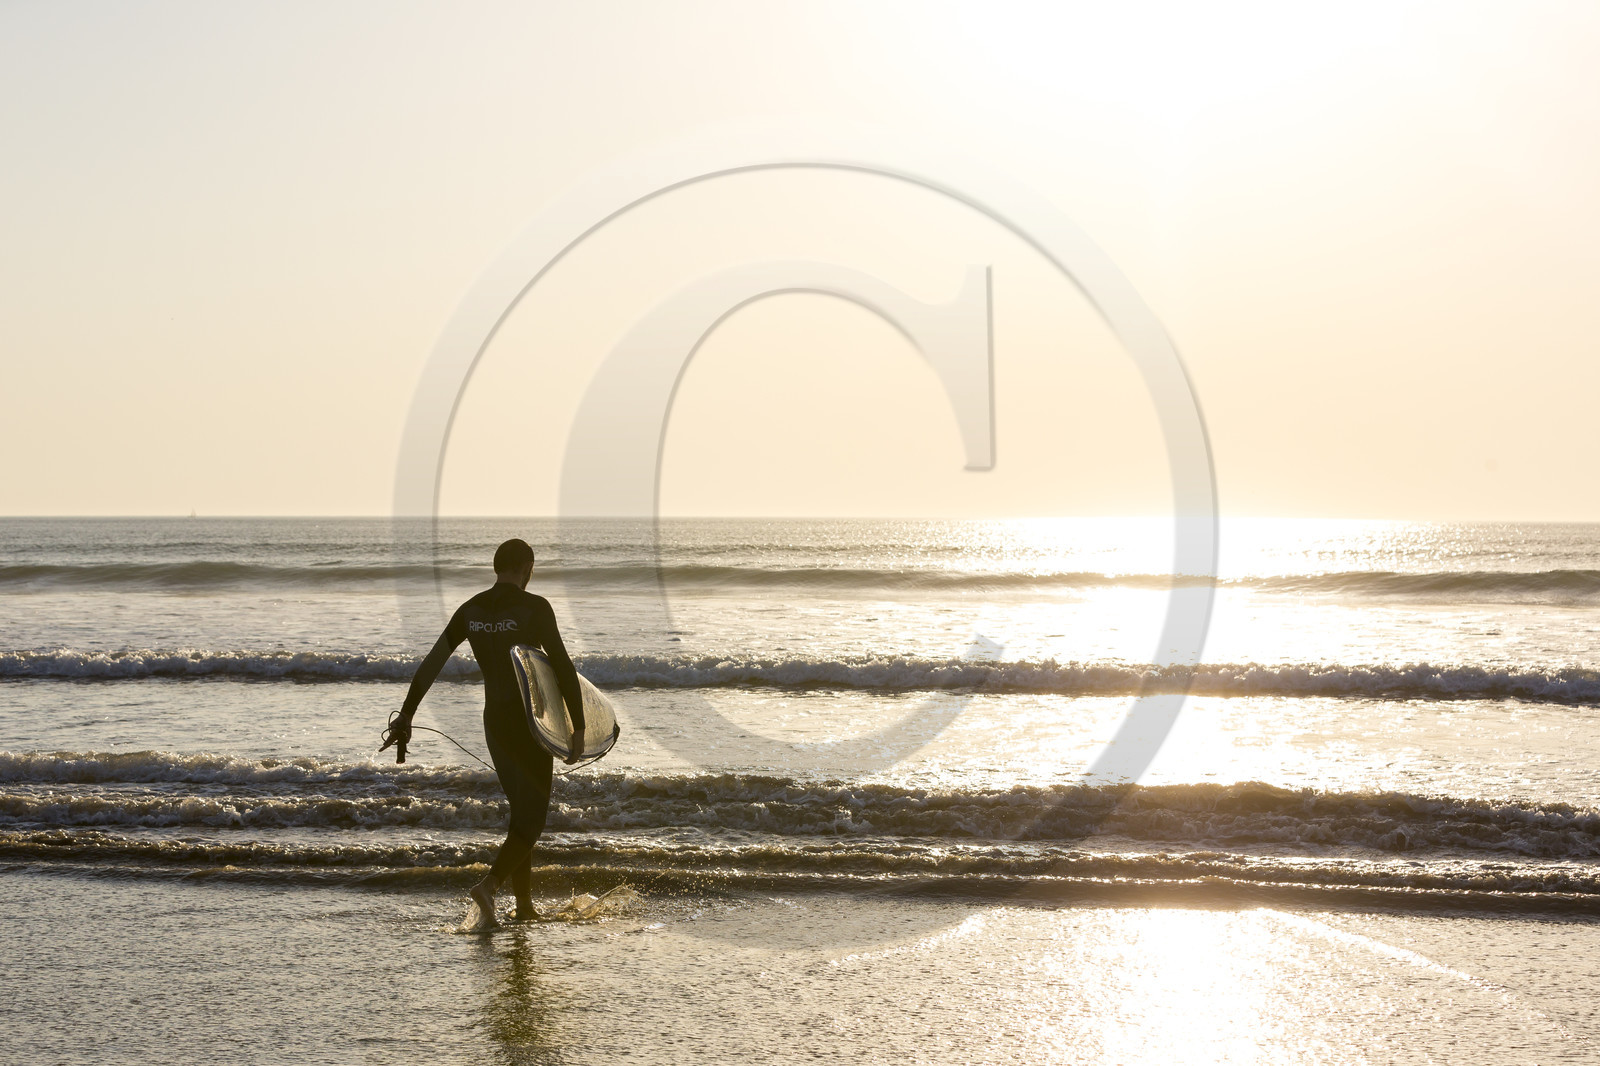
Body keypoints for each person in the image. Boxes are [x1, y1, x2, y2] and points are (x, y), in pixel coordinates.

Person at [382, 537, 585, 924]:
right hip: (530, 723)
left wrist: (407, 713)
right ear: (527, 567)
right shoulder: (534, 607)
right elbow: (561, 665)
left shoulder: (470, 610)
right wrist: (578, 726)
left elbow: (432, 662)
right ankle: (489, 886)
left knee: (520, 814)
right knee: (534, 819)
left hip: (495, 723)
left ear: (497, 567)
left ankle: (524, 907)